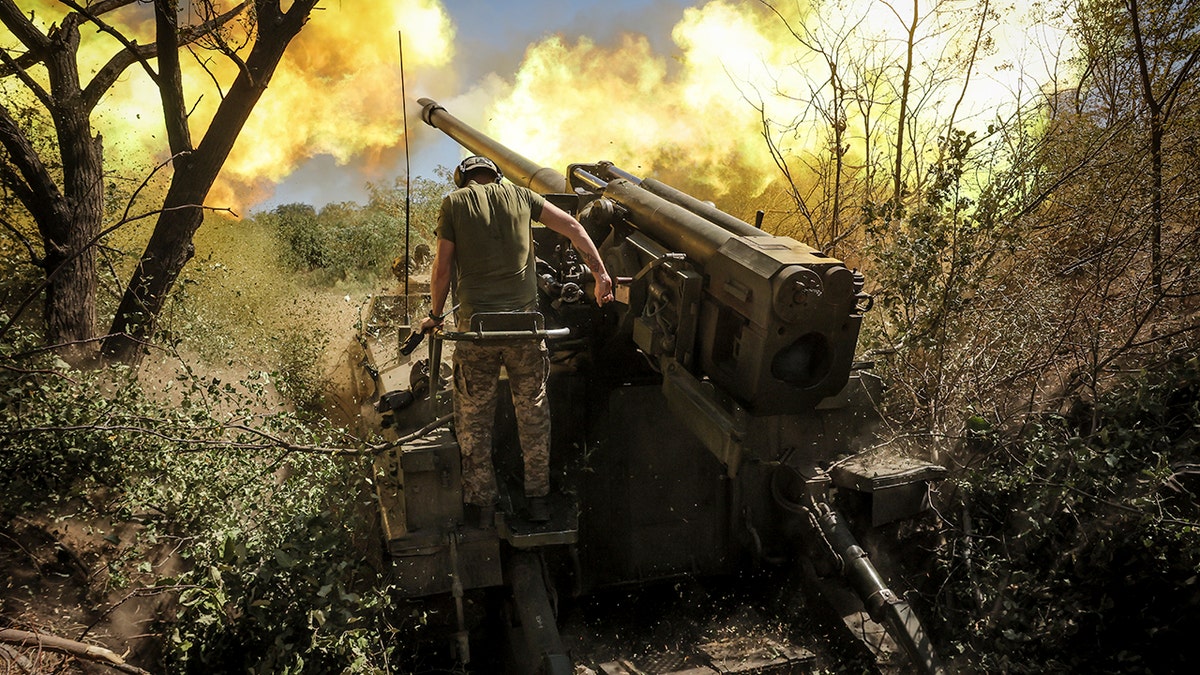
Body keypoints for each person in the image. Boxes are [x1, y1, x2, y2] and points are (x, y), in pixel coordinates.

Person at [418, 156, 614, 526]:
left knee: (474, 422)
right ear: (496, 174)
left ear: (463, 179)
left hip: (478, 332)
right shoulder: (523, 197)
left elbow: (442, 267)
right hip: (527, 330)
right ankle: (538, 501)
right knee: (534, 417)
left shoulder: (453, 203)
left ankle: (484, 506)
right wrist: (600, 274)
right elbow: (573, 225)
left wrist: (436, 313)